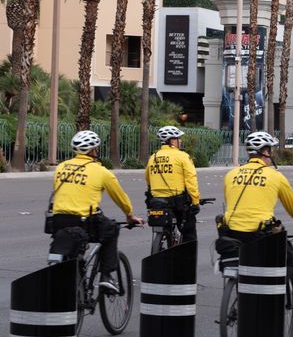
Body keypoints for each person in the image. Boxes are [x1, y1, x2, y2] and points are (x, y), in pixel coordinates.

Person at [50, 130, 144, 292]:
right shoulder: (101, 172)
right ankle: (106, 276)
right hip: (86, 222)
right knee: (112, 229)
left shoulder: (60, 168)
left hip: (58, 220)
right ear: (94, 150)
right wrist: (129, 215)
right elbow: (120, 197)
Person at [218, 131, 293, 266]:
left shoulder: (230, 174)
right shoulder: (275, 176)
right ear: (266, 152)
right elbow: (292, 206)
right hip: (260, 234)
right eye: (271, 151)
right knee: (287, 257)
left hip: (231, 233)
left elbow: (229, 201)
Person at [145, 125, 201, 243]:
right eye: (178, 138)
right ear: (172, 141)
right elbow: (190, 180)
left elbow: (148, 179)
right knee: (189, 232)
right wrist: (195, 202)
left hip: (156, 202)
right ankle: (187, 260)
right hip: (176, 202)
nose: (180, 141)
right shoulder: (183, 156)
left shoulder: (153, 157)